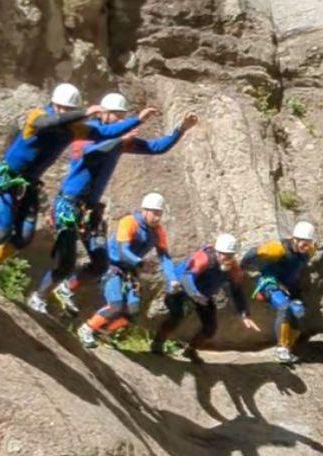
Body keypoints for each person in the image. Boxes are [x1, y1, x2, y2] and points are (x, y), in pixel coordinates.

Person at [0, 90, 155, 287]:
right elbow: (49, 122)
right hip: (8, 179)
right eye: (63, 109)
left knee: (24, 236)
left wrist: (138, 119)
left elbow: (105, 132)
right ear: (54, 104)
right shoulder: (37, 117)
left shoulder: (75, 129)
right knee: (1, 232)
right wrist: (84, 113)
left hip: (28, 184)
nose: (66, 113)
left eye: (69, 109)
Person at [28, 102, 198, 315]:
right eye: (116, 116)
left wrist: (180, 130)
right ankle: (39, 296)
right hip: (68, 206)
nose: (119, 120)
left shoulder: (120, 142)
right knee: (67, 260)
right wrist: (120, 140)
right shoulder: (86, 132)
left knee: (100, 262)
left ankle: (66, 288)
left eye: (122, 116)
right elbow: (92, 154)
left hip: (90, 211)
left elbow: (156, 147)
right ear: (104, 114)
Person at [77, 193, 178, 349]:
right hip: (111, 266)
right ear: (145, 210)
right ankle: (87, 329)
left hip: (130, 271)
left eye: (160, 214)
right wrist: (139, 262)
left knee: (133, 310)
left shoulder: (158, 232)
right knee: (115, 303)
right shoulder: (129, 222)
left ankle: (103, 332)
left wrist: (172, 278)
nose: (157, 218)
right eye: (154, 213)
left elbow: (164, 257)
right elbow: (123, 250)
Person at [150, 234, 261, 363]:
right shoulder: (204, 258)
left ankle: (190, 350)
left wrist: (244, 313)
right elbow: (187, 277)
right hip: (181, 287)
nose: (228, 259)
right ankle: (158, 342)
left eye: (231, 256)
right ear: (218, 253)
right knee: (177, 315)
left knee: (210, 328)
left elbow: (237, 290)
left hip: (202, 294)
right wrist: (195, 295)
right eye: (226, 255)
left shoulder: (232, 267)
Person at [240, 221, 316, 365]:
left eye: (308, 244)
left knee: (298, 312)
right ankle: (281, 349)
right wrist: (242, 267)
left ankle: (287, 348)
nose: (305, 247)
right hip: (269, 283)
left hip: (289, 287)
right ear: (295, 239)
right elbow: (252, 253)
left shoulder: (309, 252)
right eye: (303, 243)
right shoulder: (277, 249)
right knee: (283, 306)